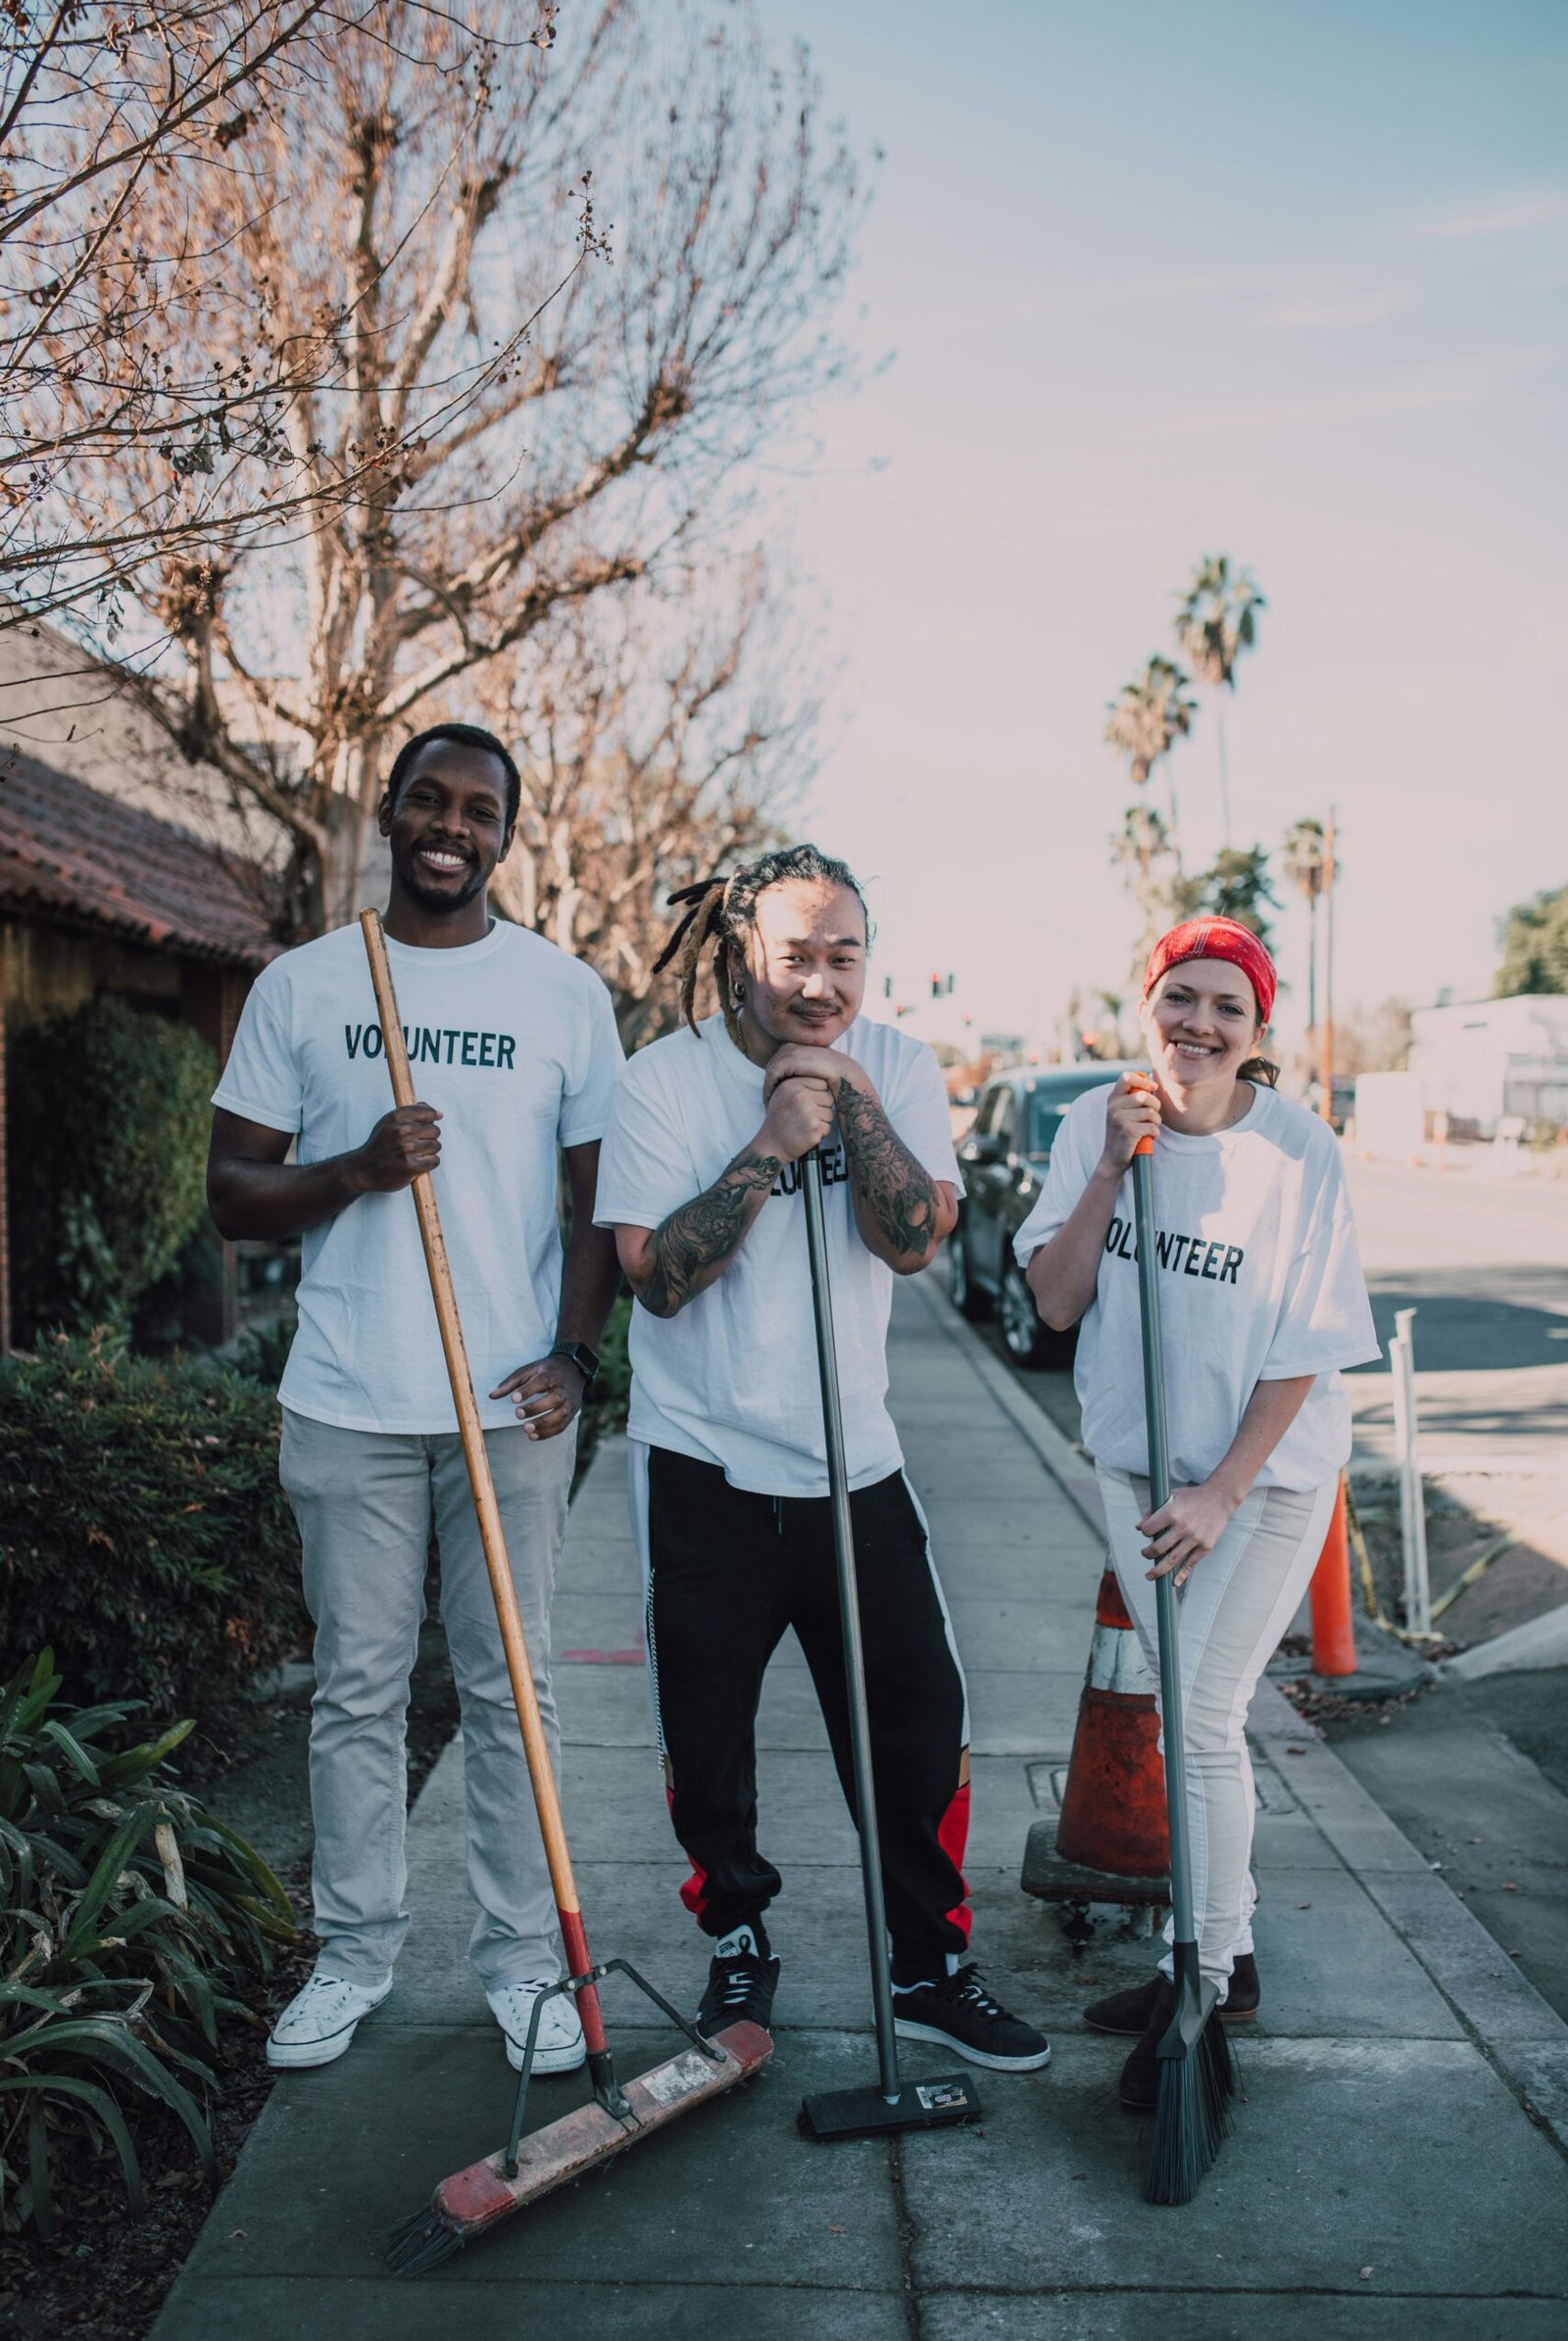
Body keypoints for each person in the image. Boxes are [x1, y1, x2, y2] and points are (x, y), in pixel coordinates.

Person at [207, 722, 624, 2076]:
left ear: (509, 834)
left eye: (481, 810)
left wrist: (574, 1359)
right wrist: (354, 1174)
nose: (453, 826)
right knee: (357, 1692)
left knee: (514, 1694)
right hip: (348, 1398)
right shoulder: (310, 985)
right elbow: (231, 1197)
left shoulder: (563, 994)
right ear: (388, 813)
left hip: (505, 1408)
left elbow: (591, 1207)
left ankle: (521, 1968)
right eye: (430, 801)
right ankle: (353, 1956)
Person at [592, 845, 1050, 2072]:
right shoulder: (659, 1084)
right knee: (707, 1738)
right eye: (792, 955)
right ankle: (738, 1940)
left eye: (843, 955)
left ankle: (928, 1964)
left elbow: (915, 1243)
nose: (819, 981)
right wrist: (771, 1145)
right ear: (743, 956)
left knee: (918, 1719)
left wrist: (850, 1101)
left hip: (859, 1468)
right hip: (704, 1467)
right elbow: (655, 1282)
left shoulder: (895, 1065)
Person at [1015, 915, 1379, 2105]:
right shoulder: (1091, 1127)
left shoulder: (1295, 1154)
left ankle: (1203, 1980)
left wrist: (1223, 1491)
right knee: (1192, 1718)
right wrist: (1115, 1169)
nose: (1200, 1024)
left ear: (1257, 1029)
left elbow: (1308, 1350)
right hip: (1136, 1474)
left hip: (1258, 1485)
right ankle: (1233, 1951)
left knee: (1201, 1719)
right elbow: (1055, 1304)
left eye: (1227, 1006)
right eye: (1182, 997)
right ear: (1148, 1005)